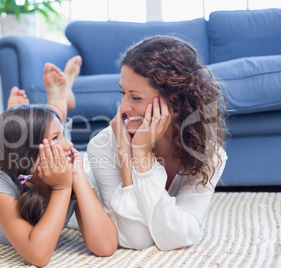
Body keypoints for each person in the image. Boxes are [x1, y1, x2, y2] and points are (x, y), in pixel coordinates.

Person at [0, 56, 118, 267]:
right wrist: (61, 189)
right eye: (55, 139)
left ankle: (25, 114)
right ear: (30, 158)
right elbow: (38, 256)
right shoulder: (1, 186)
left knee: (17, 156)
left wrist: (78, 179)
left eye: (62, 135)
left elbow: (105, 246)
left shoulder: (67, 173)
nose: (70, 146)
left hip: (21, 169)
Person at [87, 35, 228, 251]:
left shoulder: (208, 153)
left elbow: (180, 236)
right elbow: (134, 239)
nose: (123, 107)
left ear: (174, 101)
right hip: (75, 182)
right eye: (123, 93)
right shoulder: (103, 146)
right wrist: (128, 156)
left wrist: (142, 154)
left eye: (135, 97)